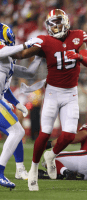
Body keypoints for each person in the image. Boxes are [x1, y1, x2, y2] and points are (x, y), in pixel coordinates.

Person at [13, 9, 87, 191]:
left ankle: (52, 155)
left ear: (65, 21)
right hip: (52, 92)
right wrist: (9, 49)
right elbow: (21, 55)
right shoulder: (44, 41)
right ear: (47, 26)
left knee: (68, 135)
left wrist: (79, 56)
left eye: (59, 21)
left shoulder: (77, 36)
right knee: (45, 132)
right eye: (52, 23)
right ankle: (33, 169)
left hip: (71, 93)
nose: (56, 26)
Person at [0, 23, 43, 189]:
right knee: (17, 131)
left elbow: (29, 73)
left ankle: (19, 169)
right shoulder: (4, 53)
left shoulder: (7, 61)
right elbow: (3, 51)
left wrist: (38, 57)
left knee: (16, 133)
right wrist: (26, 44)